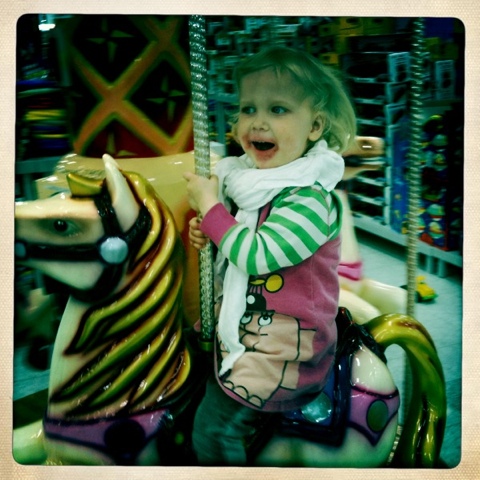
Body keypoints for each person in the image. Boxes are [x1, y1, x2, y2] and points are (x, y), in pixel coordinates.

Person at [183, 45, 357, 465]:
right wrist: (210, 230)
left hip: (285, 350)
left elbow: (256, 256)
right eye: (248, 109)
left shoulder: (309, 198)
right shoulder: (251, 182)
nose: (257, 122)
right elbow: (237, 239)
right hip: (248, 327)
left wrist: (210, 207)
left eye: (278, 109)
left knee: (213, 429)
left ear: (315, 126)